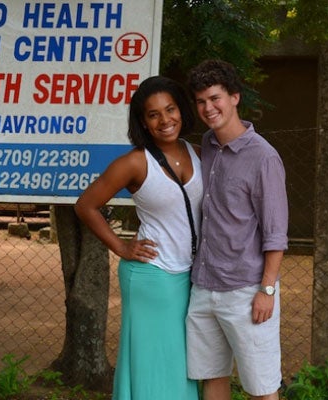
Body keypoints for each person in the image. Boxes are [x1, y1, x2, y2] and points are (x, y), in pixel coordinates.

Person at [75, 76, 202, 400]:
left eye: (170, 109)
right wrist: (120, 246)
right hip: (152, 274)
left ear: (181, 111)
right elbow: (86, 205)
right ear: (143, 122)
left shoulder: (199, 152)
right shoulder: (134, 162)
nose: (164, 120)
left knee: (184, 363)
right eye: (153, 114)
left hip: (191, 275)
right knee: (154, 364)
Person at [185, 59, 289, 400]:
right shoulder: (209, 145)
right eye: (201, 101)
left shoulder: (263, 158)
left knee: (261, 388)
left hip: (246, 291)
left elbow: (276, 233)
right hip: (204, 286)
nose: (208, 108)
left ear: (234, 98)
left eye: (215, 98)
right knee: (212, 378)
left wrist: (267, 291)